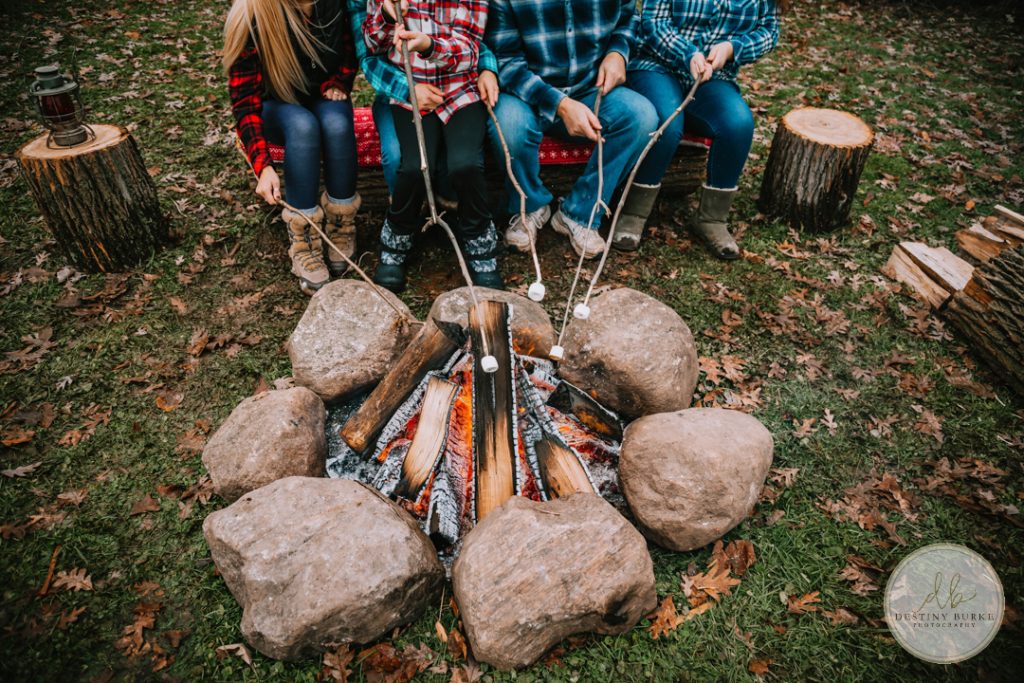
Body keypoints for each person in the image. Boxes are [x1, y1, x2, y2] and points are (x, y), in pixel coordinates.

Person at [485, 0, 658, 259]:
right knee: (508, 124)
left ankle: (579, 213)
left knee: (642, 117)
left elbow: (628, 18)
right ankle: (529, 207)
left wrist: (618, 52)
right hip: (525, 93)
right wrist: (561, 105)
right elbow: (506, 61)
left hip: (589, 88)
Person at [620, 0, 782, 257]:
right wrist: (688, 53)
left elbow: (769, 32)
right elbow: (653, 22)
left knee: (738, 124)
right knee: (667, 123)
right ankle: (633, 212)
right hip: (657, 65)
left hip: (714, 77)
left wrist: (732, 48)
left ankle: (711, 219)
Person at [364, 0, 501, 293]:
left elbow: (470, 50)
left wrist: (429, 45)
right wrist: (387, 15)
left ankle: (479, 241)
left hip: (460, 90)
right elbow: (372, 45)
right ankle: (397, 237)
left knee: (465, 164)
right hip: (411, 90)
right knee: (414, 166)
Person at [225, 0, 361, 294]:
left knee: (337, 125)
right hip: (274, 104)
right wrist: (262, 166)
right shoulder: (252, 15)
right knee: (303, 126)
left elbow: (350, 47)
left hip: (322, 93)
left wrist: (341, 79)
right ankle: (303, 239)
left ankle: (342, 224)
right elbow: (244, 103)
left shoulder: (336, 4)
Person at [345, 0, 500, 203]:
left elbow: (474, 36)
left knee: (460, 159)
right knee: (398, 157)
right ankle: (407, 208)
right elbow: (369, 56)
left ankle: (448, 203)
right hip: (397, 88)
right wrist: (408, 89)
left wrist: (486, 66)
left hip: (454, 83)